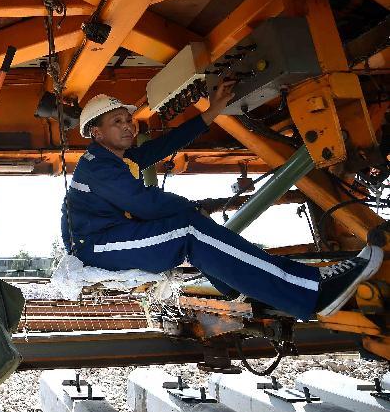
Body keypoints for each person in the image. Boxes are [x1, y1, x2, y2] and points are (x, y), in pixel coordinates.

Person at [58, 83, 383, 320]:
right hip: (96, 247)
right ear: (96, 133)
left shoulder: (121, 157)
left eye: (127, 120)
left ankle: (240, 285)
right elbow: (146, 205)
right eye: (117, 122)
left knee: (193, 227)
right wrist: (193, 208)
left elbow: (168, 143)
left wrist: (210, 113)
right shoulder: (97, 165)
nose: (128, 126)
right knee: (190, 231)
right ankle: (312, 292)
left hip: (114, 238)